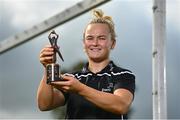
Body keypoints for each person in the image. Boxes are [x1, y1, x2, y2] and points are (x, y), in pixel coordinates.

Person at [37, 9, 135, 119]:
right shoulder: (72, 78)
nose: (95, 43)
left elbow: (121, 105)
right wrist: (48, 66)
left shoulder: (123, 75)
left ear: (113, 43)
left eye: (101, 38)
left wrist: (80, 89)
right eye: (90, 38)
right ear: (84, 44)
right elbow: (44, 105)